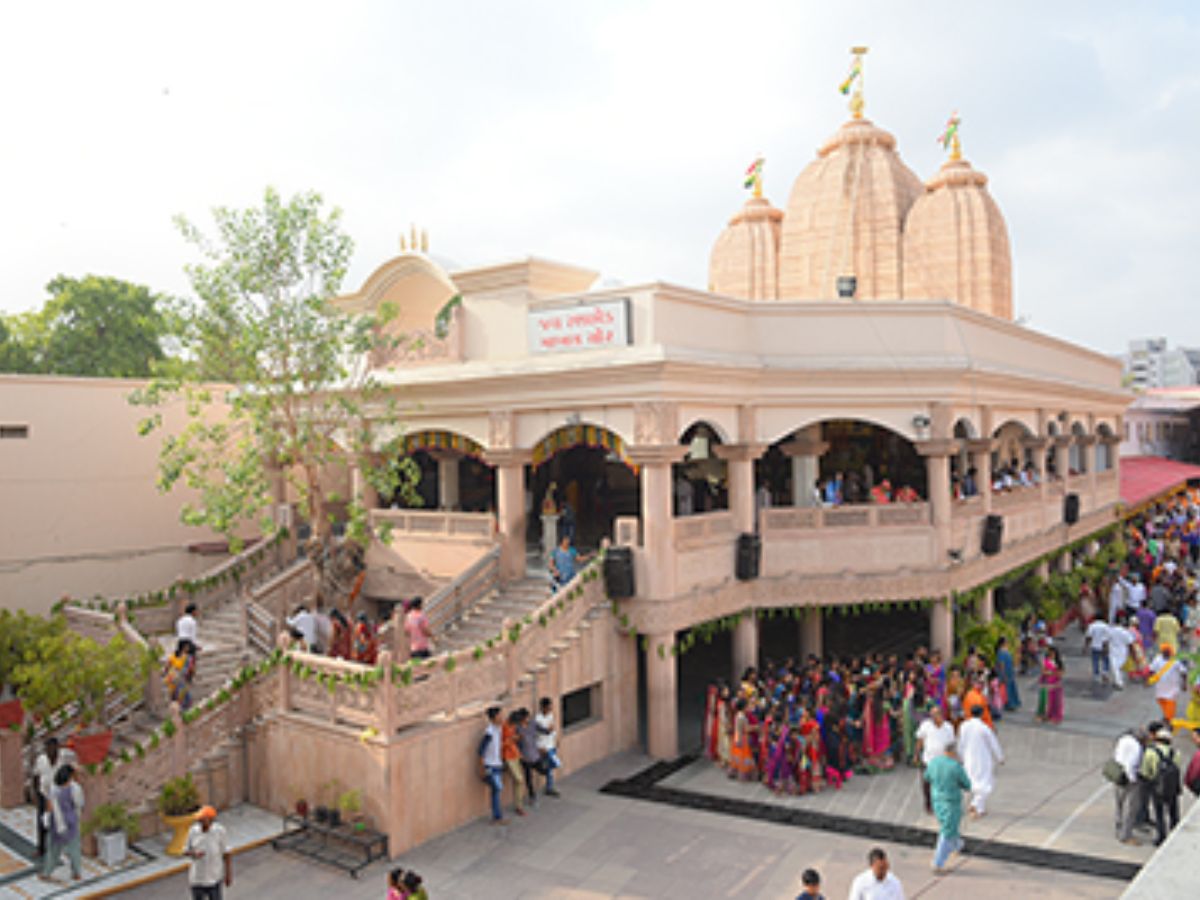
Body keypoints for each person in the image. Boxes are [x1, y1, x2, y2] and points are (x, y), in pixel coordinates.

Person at [925, 741, 972, 875]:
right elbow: (967, 785)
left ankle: (957, 845)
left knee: (949, 828)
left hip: (937, 801)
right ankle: (938, 863)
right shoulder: (955, 767)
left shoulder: (934, 763)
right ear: (953, 753)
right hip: (951, 803)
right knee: (947, 832)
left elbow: (927, 777)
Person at [1139, 724, 1183, 846]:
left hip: (1156, 786)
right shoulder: (1175, 752)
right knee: (1173, 811)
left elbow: (1146, 771)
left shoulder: (1151, 752)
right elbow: (1177, 767)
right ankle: (1175, 832)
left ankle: (1161, 836)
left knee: (1159, 813)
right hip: (1172, 786)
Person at [38, 764, 83, 883]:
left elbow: (49, 805)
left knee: (53, 849)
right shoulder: (75, 788)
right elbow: (79, 804)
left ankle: (46, 873)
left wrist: (46, 817)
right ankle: (77, 873)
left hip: (56, 822)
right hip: (71, 821)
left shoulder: (54, 789)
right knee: (74, 848)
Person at [32, 737, 75, 860]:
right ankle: (41, 848)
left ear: (57, 748)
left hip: (58, 796)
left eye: (52, 748)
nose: (50, 751)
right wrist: (36, 794)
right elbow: (36, 776)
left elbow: (70, 774)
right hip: (44, 794)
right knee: (42, 822)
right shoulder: (41, 760)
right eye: (48, 749)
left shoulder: (63, 759)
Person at [958, 704, 1004, 817]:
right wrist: (1000, 758)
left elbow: (960, 742)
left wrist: (960, 756)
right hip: (982, 759)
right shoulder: (984, 728)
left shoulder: (964, 726)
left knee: (972, 782)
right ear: (982, 714)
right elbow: (994, 744)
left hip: (968, 758)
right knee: (985, 784)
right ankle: (975, 804)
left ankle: (980, 809)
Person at [914, 703, 954, 815]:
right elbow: (920, 741)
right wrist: (916, 754)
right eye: (932, 715)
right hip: (928, 760)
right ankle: (929, 804)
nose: (934, 717)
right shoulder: (925, 725)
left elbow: (950, 745)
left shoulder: (948, 728)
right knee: (927, 784)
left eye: (936, 714)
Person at [185, 805, 231, 899]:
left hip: (214, 878)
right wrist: (194, 854)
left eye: (203, 819)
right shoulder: (193, 831)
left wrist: (228, 874)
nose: (200, 821)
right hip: (197, 878)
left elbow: (226, 853)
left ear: (211, 819)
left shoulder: (219, 831)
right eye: (199, 819)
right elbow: (185, 850)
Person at [1113, 727, 1146, 846]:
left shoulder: (1123, 739)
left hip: (1116, 773)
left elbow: (1116, 755)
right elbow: (1131, 764)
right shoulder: (1137, 747)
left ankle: (1118, 828)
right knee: (1131, 808)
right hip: (1128, 778)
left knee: (1119, 803)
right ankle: (1126, 835)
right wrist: (1133, 780)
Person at [478, 706, 506, 824]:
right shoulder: (489, 732)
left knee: (496, 791)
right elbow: (481, 750)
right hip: (490, 766)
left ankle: (497, 816)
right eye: (499, 715)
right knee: (497, 788)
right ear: (494, 718)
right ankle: (497, 817)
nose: (501, 718)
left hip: (497, 764)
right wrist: (482, 767)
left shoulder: (498, 729)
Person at [1148, 644, 1184, 729]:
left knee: (1170, 703)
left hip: (1173, 686)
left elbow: (1183, 672)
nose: (1166, 653)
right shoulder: (1157, 659)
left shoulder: (1175, 661)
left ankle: (1169, 720)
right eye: (1165, 651)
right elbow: (1151, 670)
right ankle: (1166, 716)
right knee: (1161, 701)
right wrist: (1149, 679)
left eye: (1168, 651)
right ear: (1162, 651)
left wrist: (1184, 684)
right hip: (1161, 686)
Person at [535, 696, 561, 797]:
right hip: (544, 747)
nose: (550, 710)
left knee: (550, 767)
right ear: (543, 707)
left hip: (551, 744)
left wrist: (556, 738)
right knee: (551, 765)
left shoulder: (550, 716)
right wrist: (540, 747)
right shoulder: (538, 719)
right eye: (548, 708)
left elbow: (552, 729)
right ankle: (549, 787)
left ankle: (549, 786)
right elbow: (539, 734)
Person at [502, 710, 526, 817]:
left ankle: (519, 805)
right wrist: (512, 739)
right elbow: (501, 743)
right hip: (507, 756)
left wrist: (516, 739)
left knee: (519, 781)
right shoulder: (504, 727)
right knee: (519, 779)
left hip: (515, 753)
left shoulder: (513, 727)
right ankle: (518, 805)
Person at [165, 638, 197, 710]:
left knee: (177, 695)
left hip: (174, 677)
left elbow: (167, 666)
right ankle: (181, 711)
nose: (188, 648)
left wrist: (168, 673)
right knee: (180, 696)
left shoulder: (179, 655)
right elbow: (191, 669)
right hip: (177, 678)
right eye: (187, 646)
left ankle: (178, 710)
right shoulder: (187, 657)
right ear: (184, 647)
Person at [1037, 646, 1065, 724]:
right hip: (1048, 684)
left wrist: (1055, 673)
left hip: (1057, 684)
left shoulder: (1059, 662)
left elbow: (1061, 672)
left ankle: (1056, 715)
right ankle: (1046, 715)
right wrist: (1052, 672)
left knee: (1057, 701)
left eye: (1053, 653)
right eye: (1050, 653)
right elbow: (1043, 671)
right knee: (1048, 701)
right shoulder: (1045, 661)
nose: (1051, 654)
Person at [1107, 614, 1133, 689]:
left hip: (1113, 651)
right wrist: (1132, 653)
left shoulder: (1110, 631)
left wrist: (1105, 649)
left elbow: (1106, 641)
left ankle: (1119, 682)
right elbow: (1130, 643)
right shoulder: (1125, 632)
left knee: (1115, 667)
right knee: (1118, 667)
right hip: (1123, 652)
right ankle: (1118, 681)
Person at [995, 637, 1020, 710]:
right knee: (1007, 689)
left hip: (1010, 671)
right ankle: (1009, 704)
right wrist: (1003, 674)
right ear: (1003, 643)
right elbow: (1001, 664)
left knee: (1011, 687)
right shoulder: (1001, 652)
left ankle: (1013, 703)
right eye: (1006, 642)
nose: (1007, 643)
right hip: (1006, 672)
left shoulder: (1006, 651)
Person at [1085, 617, 1111, 684]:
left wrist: (1086, 646)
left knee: (1095, 660)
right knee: (1105, 660)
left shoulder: (1092, 626)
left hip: (1095, 646)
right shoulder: (1106, 626)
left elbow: (1089, 636)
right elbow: (1109, 637)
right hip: (1104, 646)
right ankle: (1105, 672)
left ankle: (1096, 675)